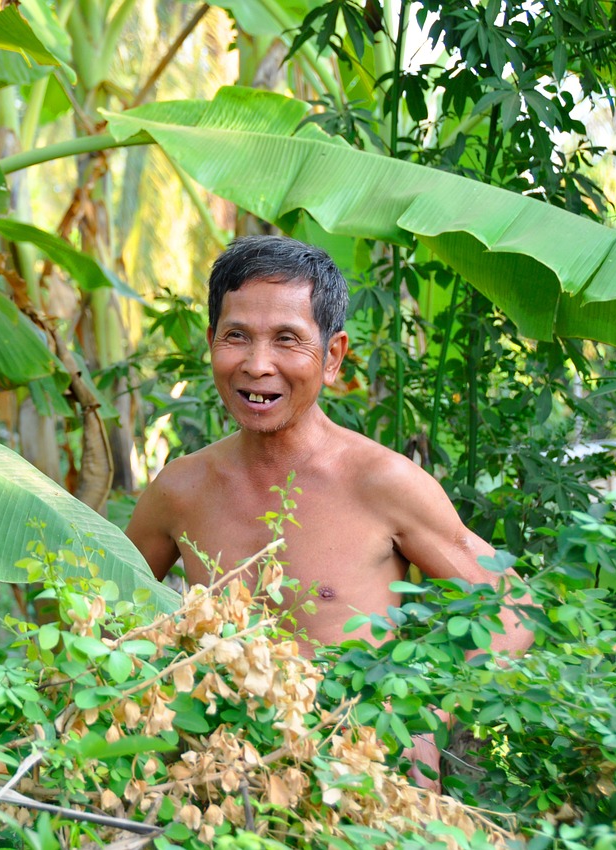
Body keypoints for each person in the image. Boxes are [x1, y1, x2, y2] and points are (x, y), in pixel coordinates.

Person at [124, 235, 532, 788]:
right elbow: (107, 616)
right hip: (225, 794)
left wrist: (426, 716)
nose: (257, 364)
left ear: (333, 356)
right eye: (236, 336)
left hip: (368, 793)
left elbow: (512, 610)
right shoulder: (180, 489)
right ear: (211, 342)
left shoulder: (381, 482)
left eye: (287, 339)